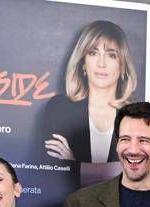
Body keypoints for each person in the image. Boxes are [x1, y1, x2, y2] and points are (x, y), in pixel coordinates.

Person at [42, 20, 137, 166]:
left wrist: (75, 163)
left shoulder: (135, 118)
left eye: (111, 55)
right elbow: (50, 168)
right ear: (83, 63)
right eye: (93, 53)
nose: (101, 63)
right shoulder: (60, 109)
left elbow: (134, 173)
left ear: (122, 66)